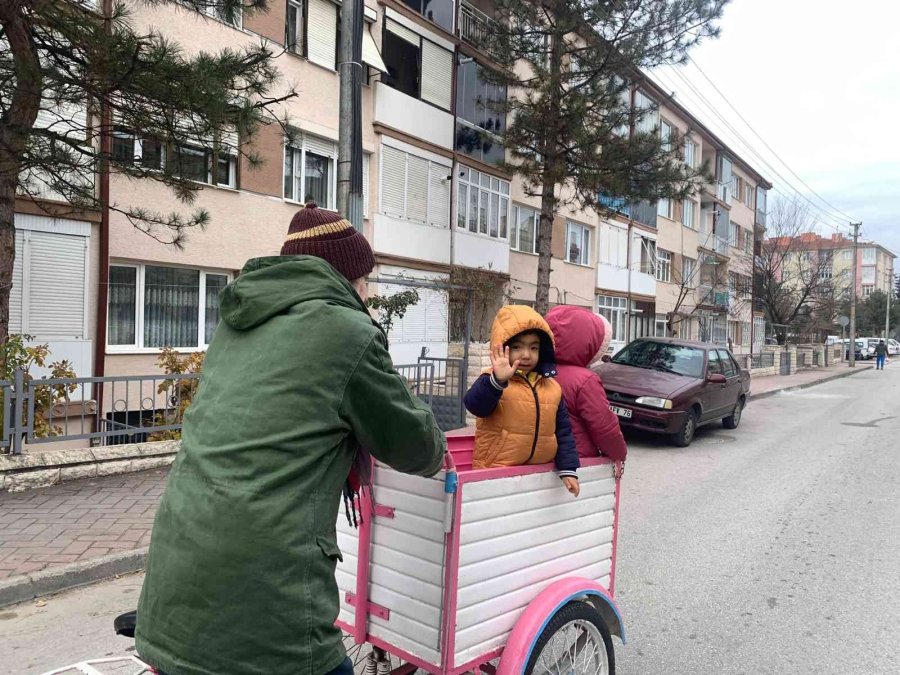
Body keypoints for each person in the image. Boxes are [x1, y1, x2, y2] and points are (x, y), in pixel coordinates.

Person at [135, 203, 446, 675]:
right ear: (349, 278)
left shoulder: (238, 322)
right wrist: (439, 451)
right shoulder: (347, 330)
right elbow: (413, 443)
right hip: (265, 590)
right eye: (366, 280)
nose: (368, 292)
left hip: (173, 582)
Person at [463, 305, 580, 496]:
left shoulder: (553, 388)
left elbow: (563, 432)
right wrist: (498, 381)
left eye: (534, 347)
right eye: (517, 347)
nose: (526, 354)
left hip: (539, 475)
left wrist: (569, 470)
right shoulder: (492, 380)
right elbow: (475, 406)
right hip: (495, 473)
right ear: (501, 348)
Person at [546, 305, 627, 479]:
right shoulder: (585, 380)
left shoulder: (538, 371)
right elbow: (604, 428)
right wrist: (619, 453)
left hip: (543, 458)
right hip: (578, 463)